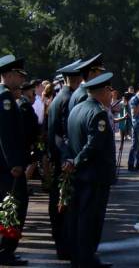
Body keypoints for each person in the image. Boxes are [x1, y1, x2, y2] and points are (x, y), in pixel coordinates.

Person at [65, 71, 117, 268]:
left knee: (79, 217)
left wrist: (70, 161)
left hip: (80, 175)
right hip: (94, 176)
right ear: (104, 90)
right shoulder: (98, 113)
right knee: (90, 220)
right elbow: (93, 146)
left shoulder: (77, 108)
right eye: (109, 90)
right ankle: (86, 259)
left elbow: (69, 141)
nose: (111, 95)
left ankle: (79, 256)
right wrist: (76, 162)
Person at [46, 59, 82, 261]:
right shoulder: (68, 99)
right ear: (78, 79)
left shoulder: (59, 97)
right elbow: (65, 134)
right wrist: (68, 159)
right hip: (65, 160)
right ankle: (66, 246)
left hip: (57, 157)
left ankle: (63, 245)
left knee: (59, 203)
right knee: (64, 205)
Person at [0, 56, 28, 266]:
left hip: (5, 166)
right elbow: (7, 135)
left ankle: (6, 250)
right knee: (14, 207)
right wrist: (15, 164)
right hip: (8, 168)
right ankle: (5, 250)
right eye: (18, 75)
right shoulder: (5, 99)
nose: (21, 80)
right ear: (8, 75)